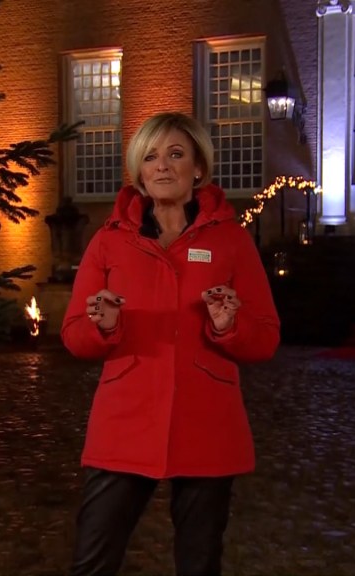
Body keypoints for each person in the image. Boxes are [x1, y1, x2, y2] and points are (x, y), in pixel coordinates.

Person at [60, 112, 280, 576]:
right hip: (124, 420)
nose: (161, 166)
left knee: (200, 565)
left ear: (198, 167)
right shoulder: (108, 242)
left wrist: (229, 325)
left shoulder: (231, 240)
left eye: (175, 154)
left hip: (207, 422)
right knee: (92, 562)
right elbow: (74, 336)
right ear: (139, 170)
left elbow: (265, 338)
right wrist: (103, 325)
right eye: (150, 157)